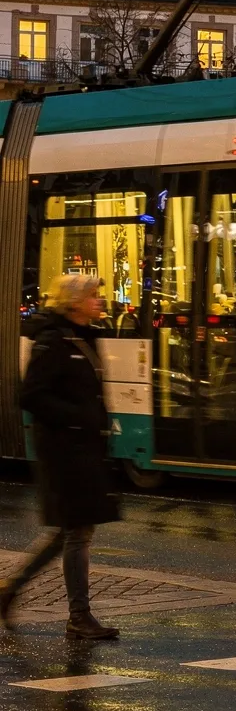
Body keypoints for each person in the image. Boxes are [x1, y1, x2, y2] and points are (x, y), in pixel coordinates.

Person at [0, 274, 121, 640]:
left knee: (73, 530)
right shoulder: (53, 340)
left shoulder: (83, 337)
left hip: (83, 447)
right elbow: (32, 395)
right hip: (63, 451)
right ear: (73, 303)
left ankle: (11, 591)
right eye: (93, 296)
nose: (100, 301)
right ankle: (78, 616)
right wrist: (77, 420)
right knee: (77, 532)